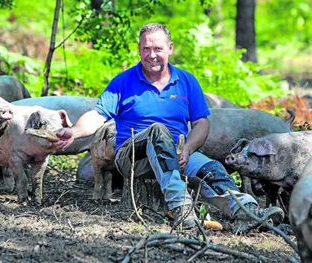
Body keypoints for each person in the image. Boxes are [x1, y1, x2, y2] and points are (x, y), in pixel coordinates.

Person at [53, 23, 284, 232]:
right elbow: (97, 115)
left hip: (176, 152)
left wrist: (189, 148)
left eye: (158, 49)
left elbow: (202, 123)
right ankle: (182, 211)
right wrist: (72, 131)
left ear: (170, 48)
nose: (151, 55)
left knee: (211, 168)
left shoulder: (186, 81)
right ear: (139, 49)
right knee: (158, 132)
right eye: (146, 49)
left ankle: (249, 212)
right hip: (133, 157)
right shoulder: (123, 82)